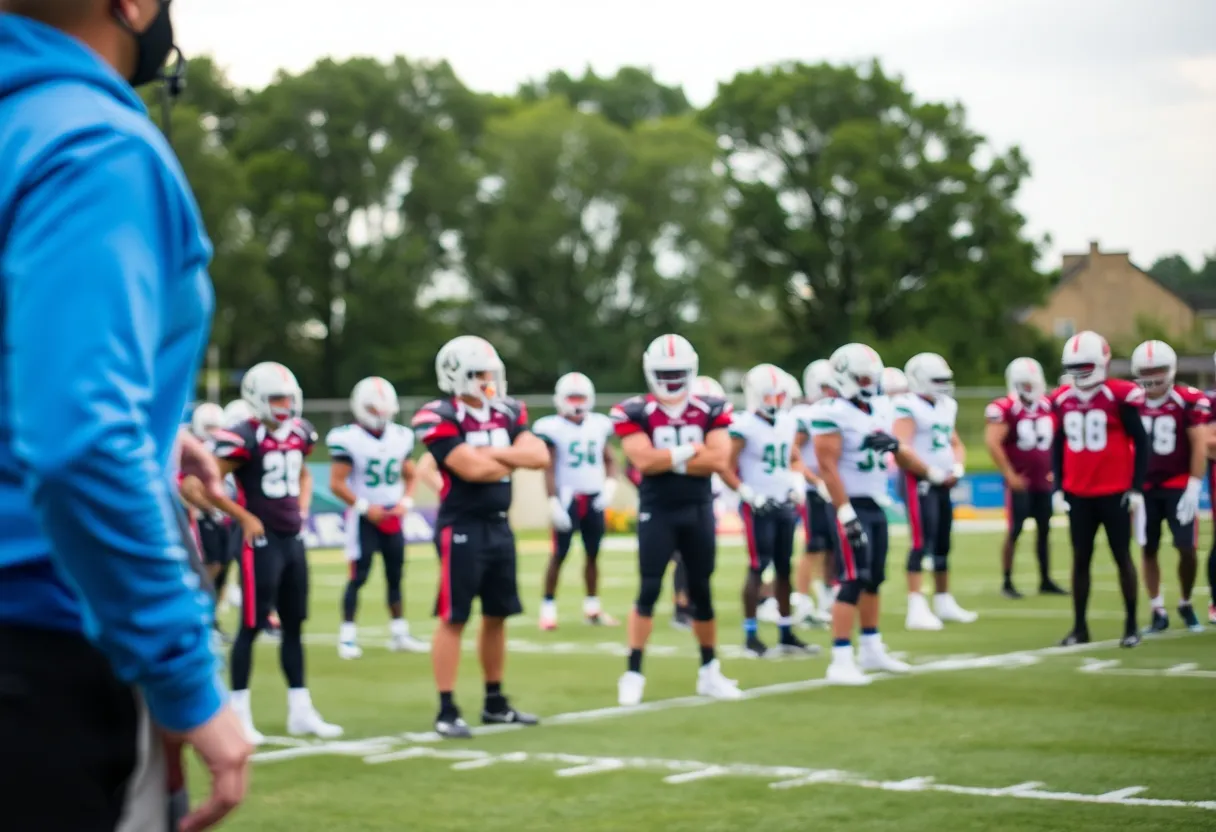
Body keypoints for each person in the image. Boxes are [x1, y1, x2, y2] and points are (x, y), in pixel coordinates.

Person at [0, 2, 250, 829]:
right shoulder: (90, 143)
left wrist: (155, 418)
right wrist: (181, 674)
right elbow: (79, 446)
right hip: (36, 644)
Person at [411, 335, 549, 738]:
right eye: (479, 374)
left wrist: (488, 456)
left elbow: (539, 457)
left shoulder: (508, 410)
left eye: (491, 372)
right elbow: (469, 470)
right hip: (462, 525)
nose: (488, 380)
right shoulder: (439, 414)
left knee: (497, 615)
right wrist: (506, 459)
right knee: (454, 617)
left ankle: (494, 701)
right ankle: (447, 707)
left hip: (498, 523)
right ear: (456, 376)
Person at [212, 361, 342, 743]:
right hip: (260, 541)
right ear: (257, 399)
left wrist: (302, 508)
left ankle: (300, 710)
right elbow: (205, 482)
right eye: (276, 398)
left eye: (288, 398)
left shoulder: (300, 432)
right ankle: (238, 712)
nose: (284, 405)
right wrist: (243, 517)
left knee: (294, 625)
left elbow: (302, 472)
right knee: (251, 626)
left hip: (291, 537)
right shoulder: (243, 436)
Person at [612, 335, 742, 705]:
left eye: (677, 373)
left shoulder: (711, 406)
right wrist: (689, 451)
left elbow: (719, 460)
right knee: (649, 589)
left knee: (701, 592)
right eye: (664, 373)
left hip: (698, 508)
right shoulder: (634, 410)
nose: (671, 380)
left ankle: (709, 671)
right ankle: (633, 672)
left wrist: (666, 457)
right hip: (658, 509)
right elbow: (643, 462)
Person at [812, 343, 952, 685]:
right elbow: (828, 468)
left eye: (870, 377)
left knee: (874, 578)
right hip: (850, 503)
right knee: (852, 578)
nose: (867, 383)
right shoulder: (831, 411)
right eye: (861, 377)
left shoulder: (880, 407)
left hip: (875, 501)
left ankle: (871, 647)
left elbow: (899, 452)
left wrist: (915, 463)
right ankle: (840, 657)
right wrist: (844, 512)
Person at [1051, 330, 1148, 647]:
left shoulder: (1119, 395)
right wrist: (1059, 487)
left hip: (1115, 492)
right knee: (1080, 559)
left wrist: (1135, 488)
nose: (1079, 372)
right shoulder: (1062, 399)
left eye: (1085, 365)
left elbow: (1141, 442)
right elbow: (1058, 443)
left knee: (1123, 557)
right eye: (1073, 366)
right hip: (1079, 493)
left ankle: (1131, 625)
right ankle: (1079, 627)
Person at [327, 376, 427, 658]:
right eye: (374, 409)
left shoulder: (400, 436)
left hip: (392, 515)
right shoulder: (347, 438)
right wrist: (363, 507)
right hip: (363, 518)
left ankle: (399, 633)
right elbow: (337, 483)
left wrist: (406, 501)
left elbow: (411, 473)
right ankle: (346, 636)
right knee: (358, 576)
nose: (380, 415)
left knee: (395, 575)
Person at [720, 364, 815, 656]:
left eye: (779, 396)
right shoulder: (743, 425)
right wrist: (747, 493)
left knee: (784, 568)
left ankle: (786, 631)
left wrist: (796, 483)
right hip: (757, 506)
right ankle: (751, 634)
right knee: (757, 567)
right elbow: (725, 466)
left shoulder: (788, 422)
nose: (774, 402)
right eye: (769, 396)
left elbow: (793, 458)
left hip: (783, 502)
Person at [1128, 340, 1208, 633]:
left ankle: (1185, 602)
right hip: (1144, 486)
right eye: (1146, 370)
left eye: (1158, 369)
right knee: (1147, 547)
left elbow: (1198, 442)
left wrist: (1194, 483)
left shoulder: (1187, 399)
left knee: (1186, 548)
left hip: (1177, 484)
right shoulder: (1132, 401)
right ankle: (1157, 609)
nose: (1152, 376)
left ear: (1170, 369)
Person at [533, 372, 620, 629]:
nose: (576, 403)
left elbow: (610, 459)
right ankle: (547, 610)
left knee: (593, 554)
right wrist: (552, 501)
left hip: (593, 497)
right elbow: (548, 468)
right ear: (560, 399)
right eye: (572, 397)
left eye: (580, 397)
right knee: (559, 554)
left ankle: (592, 608)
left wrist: (610, 486)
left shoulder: (599, 425)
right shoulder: (551, 427)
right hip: (568, 497)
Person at [894, 353, 974, 630]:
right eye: (937, 380)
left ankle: (943, 600)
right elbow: (901, 448)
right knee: (920, 542)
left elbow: (955, 442)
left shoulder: (946, 405)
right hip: (919, 482)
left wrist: (957, 468)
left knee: (943, 541)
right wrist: (931, 472)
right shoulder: (907, 406)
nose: (943, 385)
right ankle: (916, 605)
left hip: (942, 482)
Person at [985, 358, 1067, 598]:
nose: (1028, 388)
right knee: (1015, 530)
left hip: (1044, 480)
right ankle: (1007, 581)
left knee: (1044, 530)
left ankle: (1045, 579)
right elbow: (992, 442)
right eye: (1024, 384)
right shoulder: (1004, 408)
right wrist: (1009, 474)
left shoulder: (1048, 406)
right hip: (1020, 481)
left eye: (1032, 383)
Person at [792, 360, 839, 618]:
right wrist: (814, 480)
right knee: (813, 545)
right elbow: (793, 453)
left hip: (831, 487)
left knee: (833, 545)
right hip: (813, 490)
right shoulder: (804, 415)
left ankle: (826, 594)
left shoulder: (836, 410)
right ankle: (801, 599)